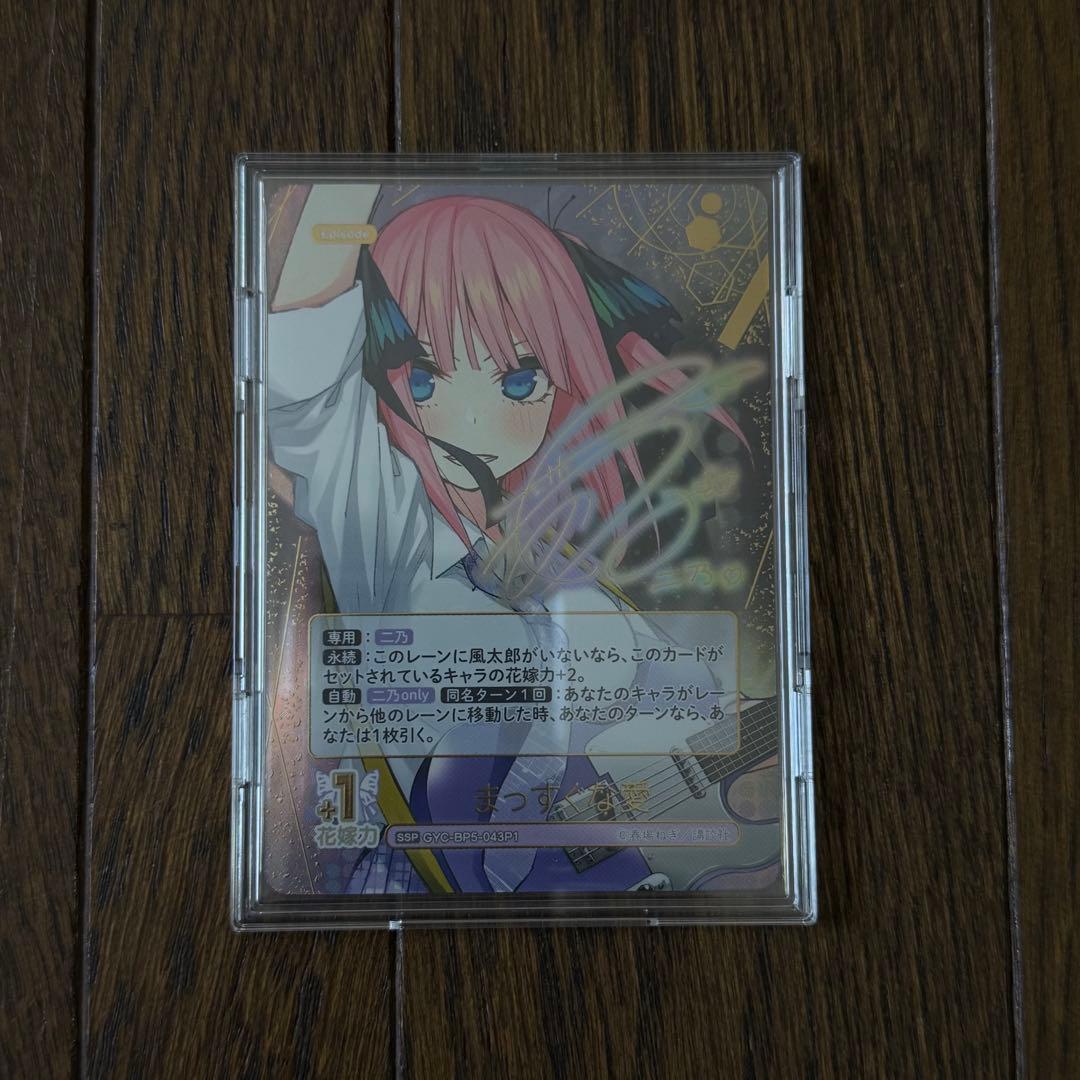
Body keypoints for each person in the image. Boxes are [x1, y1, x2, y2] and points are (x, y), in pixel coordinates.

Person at [268, 183, 766, 894]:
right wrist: (347, 171)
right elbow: (303, 362)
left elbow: (691, 701)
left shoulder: (570, 580)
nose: (474, 422)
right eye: (426, 379)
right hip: (424, 894)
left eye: (518, 379)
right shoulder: (388, 528)